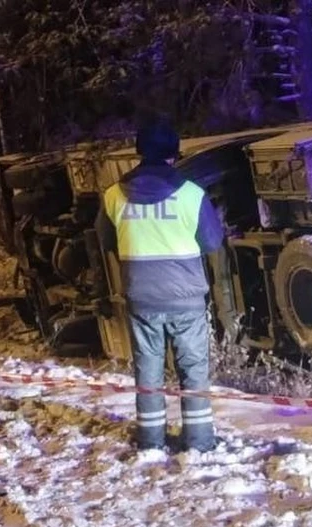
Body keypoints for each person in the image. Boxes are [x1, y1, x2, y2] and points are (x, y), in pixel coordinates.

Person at [96, 117, 224, 452]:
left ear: (140, 152)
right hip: (186, 299)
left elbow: (106, 240)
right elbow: (211, 242)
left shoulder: (113, 196)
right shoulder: (192, 195)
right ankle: (199, 442)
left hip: (142, 298)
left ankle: (151, 442)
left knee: (148, 373)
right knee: (193, 371)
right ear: (174, 153)